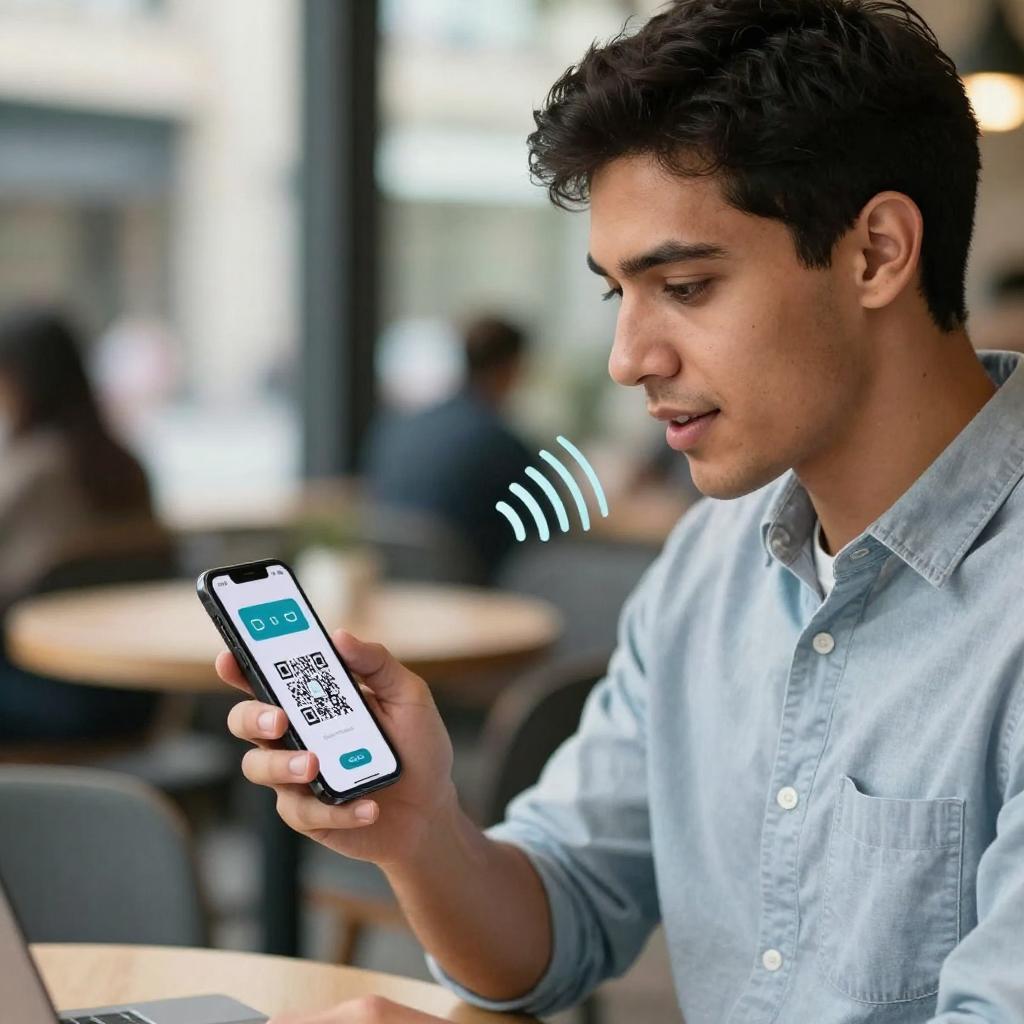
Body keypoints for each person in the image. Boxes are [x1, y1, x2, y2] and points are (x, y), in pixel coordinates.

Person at [219, 1, 1024, 1021]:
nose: (627, 359)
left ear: (876, 252)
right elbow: (557, 918)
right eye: (617, 295)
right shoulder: (710, 563)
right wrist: (421, 830)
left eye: (683, 285)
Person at [0, 306, 160, 740]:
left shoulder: (34, 471)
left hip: (51, 693)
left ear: (19, 380)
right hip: (139, 695)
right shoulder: (127, 464)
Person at [360, 314, 533, 583]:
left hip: (397, 585)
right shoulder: (497, 442)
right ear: (510, 368)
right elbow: (551, 522)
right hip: (472, 591)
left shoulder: (397, 426)